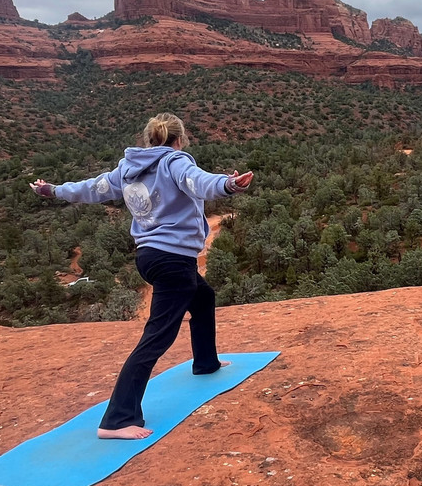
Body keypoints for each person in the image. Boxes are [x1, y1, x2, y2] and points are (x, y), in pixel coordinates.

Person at [30, 112, 254, 440]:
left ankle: (206, 362)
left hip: (149, 256)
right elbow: (199, 182)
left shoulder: (128, 168)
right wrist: (229, 184)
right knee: (157, 336)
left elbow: (91, 189)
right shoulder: (174, 162)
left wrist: (54, 190)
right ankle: (118, 419)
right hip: (173, 259)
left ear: (149, 139)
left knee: (203, 296)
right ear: (178, 140)